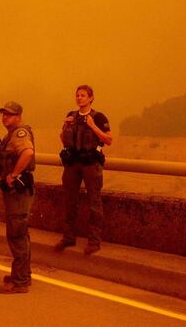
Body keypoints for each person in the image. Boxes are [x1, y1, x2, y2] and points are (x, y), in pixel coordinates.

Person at [55, 85, 112, 255]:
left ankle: (94, 241)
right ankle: (68, 237)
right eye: (77, 95)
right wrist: (65, 126)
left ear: (91, 98)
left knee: (94, 202)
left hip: (90, 164)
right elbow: (63, 139)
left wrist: (93, 126)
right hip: (72, 164)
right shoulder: (71, 116)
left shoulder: (99, 117)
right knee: (69, 201)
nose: (80, 98)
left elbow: (109, 139)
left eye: (83, 95)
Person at [0, 101, 35, 294]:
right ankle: (23, 273)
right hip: (16, 192)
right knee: (21, 233)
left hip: (18, 191)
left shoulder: (19, 133)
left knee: (16, 234)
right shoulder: (10, 134)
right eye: (3, 114)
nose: (5, 117)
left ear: (18, 116)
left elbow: (28, 152)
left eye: (9, 114)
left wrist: (13, 174)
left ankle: (19, 282)